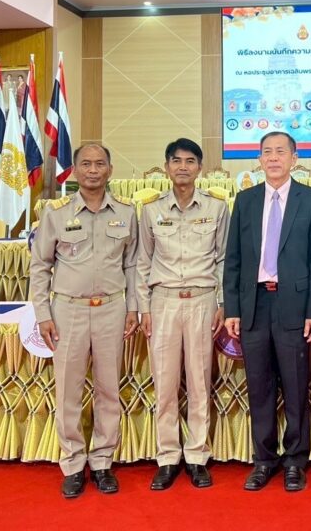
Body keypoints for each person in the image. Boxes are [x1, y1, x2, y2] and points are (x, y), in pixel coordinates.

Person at [29, 143, 140, 498]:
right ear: (75, 170)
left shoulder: (126, 212)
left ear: (110, 170)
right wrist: (42, 314)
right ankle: (74, 464)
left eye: (100, 164)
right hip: (68, 311)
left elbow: (132, 265)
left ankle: (103, 461)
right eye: (86, 164)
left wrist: (133, 308)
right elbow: (40, 266)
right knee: (68, 390)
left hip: (111, 309)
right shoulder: (55, 213)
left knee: (109, 389)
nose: (93, 170)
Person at [223, 131, 311, 492]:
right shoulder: (246, 200)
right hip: (253, 304)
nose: (273, 158)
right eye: (266, 152)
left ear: (293, 158)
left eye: (280, 152)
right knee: (259, 386)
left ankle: (296, 460)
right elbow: (234, 259)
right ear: (259, 159)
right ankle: (264, 460)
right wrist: (232, 308)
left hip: (293, 305)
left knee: (296, 386)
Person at [138, 138, 228, 490]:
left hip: (202, 301)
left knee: (199, 381)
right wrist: (143, 306)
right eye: (176, 161)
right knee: (164, 382)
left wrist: (223, 302)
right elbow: (142, 262)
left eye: (190, 161)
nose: (183, 167)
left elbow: (223, 259)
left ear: (200, 168)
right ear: (166, 167)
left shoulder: (217, 207)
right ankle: (167, 456)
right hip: (163, 302)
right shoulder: (150, 210)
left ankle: (197, 455)